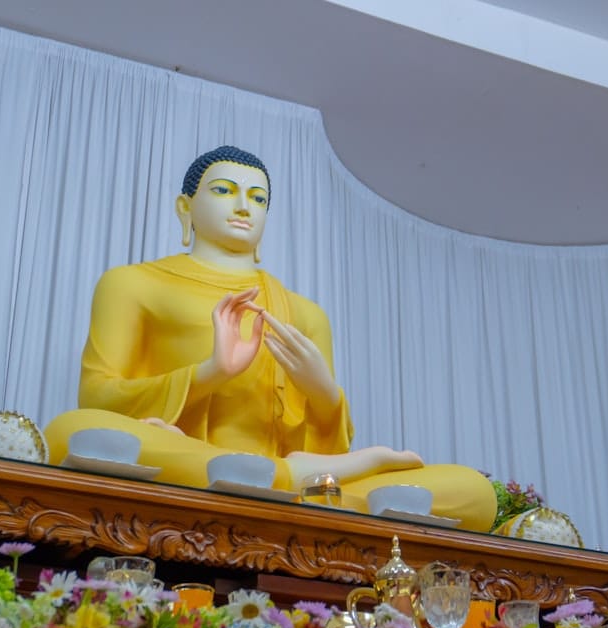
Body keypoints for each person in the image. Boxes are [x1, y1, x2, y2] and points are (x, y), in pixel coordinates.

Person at [44, 146, 496, 530]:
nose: (243, 207)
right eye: (224, 191)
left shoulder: (302, 312)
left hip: (264, 472)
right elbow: (97, 398)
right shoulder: (132, 284)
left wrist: (324, 393)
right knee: (71, 431)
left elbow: (330, 451)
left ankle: (281, 481)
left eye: (257, 198)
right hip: (189, 459)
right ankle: (291, 482)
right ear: (186, 208)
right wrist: (209, 373)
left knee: (475, 493)